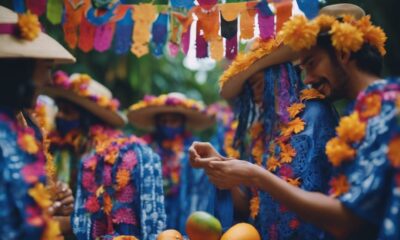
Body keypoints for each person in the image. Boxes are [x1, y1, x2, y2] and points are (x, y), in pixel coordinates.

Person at [190, 3, 400, 240]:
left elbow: (347, 219)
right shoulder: (362, 113)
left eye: (311, 64)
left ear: (342, 54)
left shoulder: (387, 108)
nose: (307, 79)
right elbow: (253, 202)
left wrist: (255, 175)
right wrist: (221, 166)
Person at [42, 71, 166, 240]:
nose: (60, 116)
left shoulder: (115, 157)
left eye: (68, 111)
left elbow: (101, 219)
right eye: (59, 110)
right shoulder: (55, 148)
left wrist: (52, 223)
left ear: (89, 118)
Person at [0, 5, 76, 239]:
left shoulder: (19, 125)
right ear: (18, 68)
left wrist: (50, 201)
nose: (49, 80)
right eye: (45, 68)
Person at [127, 92, 215, 232]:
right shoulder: (143, 148)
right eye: (164, 121)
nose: (168, 124)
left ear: (183, 122)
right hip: (149, 209)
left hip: (184, 209)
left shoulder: (195, 148)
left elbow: (201, 189)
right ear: (157, 122)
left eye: (174, 120)